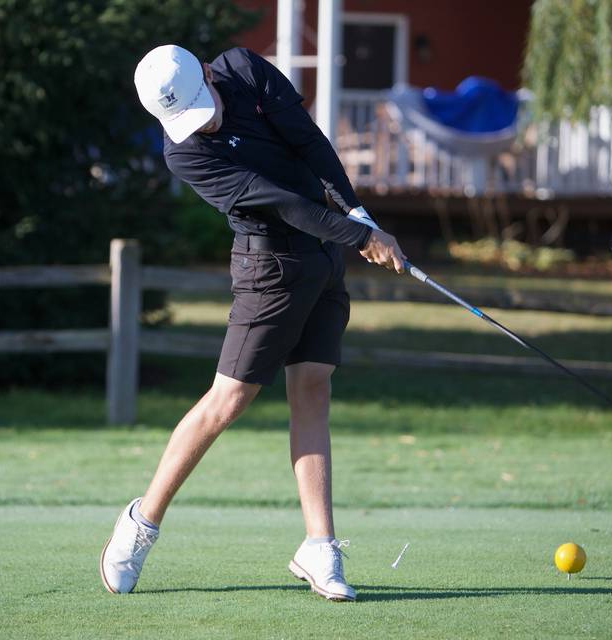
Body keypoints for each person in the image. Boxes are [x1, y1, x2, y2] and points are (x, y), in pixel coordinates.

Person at [99, 44, 406, 602]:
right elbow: (281, 203)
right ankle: (141, 522)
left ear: (208, 77)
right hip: (269, 265)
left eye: (203, 106)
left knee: (313, 387)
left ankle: (319, 544)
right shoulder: (185, 155)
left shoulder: (244, 70)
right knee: (228, 401)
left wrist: (358, 213)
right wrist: (359, 236)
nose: (204, 123)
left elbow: (308, 142)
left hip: (323, 255)